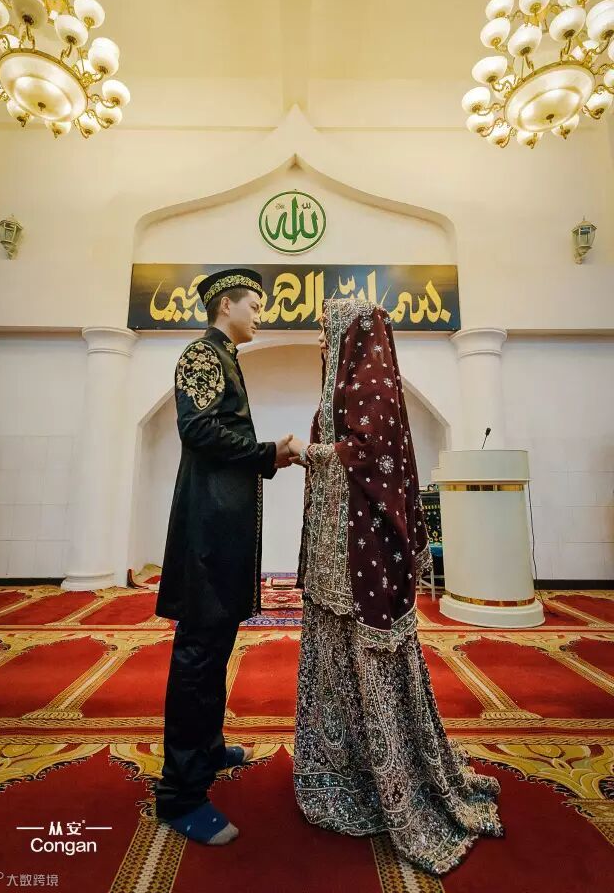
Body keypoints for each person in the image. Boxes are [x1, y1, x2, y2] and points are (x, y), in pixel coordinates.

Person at [288, 298, 502, 875]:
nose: (321, 343)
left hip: (361, 559)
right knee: (335, 664)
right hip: (331, 561)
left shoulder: (374, 391)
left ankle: (390, 782)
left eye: (327, 331)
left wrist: (304, 453)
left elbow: (367, 455)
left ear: (353, 333)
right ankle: (340, 772)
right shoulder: (338, 390)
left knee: (370, 665)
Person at [155, 268, 293, 846]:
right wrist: (268, 451)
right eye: (254, 305)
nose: (261, 313)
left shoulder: (224, 357)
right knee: (198, 655)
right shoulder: (202, 354)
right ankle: (180, 796)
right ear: (225, 306)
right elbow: (198, 430)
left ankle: (208, 751)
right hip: (206, 534)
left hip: (222, 531)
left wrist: (267, 455)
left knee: (215, 648)